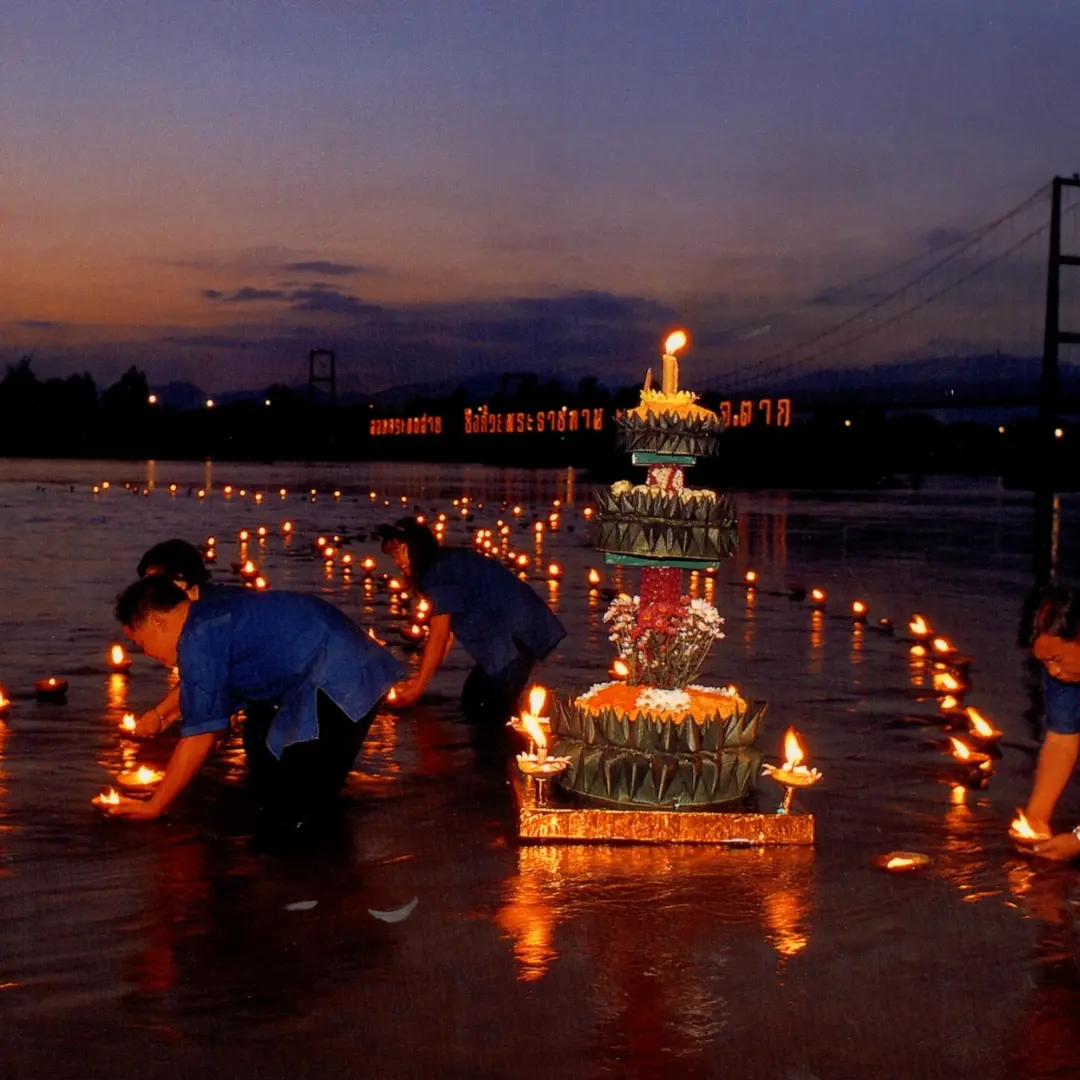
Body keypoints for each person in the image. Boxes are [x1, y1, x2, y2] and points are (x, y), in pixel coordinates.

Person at [105, 575, 403, 824]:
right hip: (344, 669)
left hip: (339, 679)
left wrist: (154, 806)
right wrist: (163, 716)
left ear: (157, 622)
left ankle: (322, 882)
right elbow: (204, 700)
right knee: (297, 794)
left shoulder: (199, 638)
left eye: (140, 643)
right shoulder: (208, 616)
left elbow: (203, 737)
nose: (146, 653)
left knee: (298, 810)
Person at [378, 516, 566, 724]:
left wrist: (417, 689)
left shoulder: (438, 572)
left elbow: (440, 635)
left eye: (398, 553)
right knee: (472, 698)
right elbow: (447, 635)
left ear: (415, 546)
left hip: (514, 638)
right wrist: (419, 680)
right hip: (515, 636)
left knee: (491, 718)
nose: (397, 562)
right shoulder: (443, 564)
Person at [1015, 585, 1080, 860]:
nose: (1052, 672)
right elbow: (1061, 740)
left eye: (1056, 659)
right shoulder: (1063, 674)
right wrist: (1035, 818)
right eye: (1044, 663)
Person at [132, 539, 219, 738]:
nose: (148, 593)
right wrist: (161, 715)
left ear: (181, 580)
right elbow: (198, 678)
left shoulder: (211, 618)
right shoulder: (202, 607)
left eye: (155, 583)